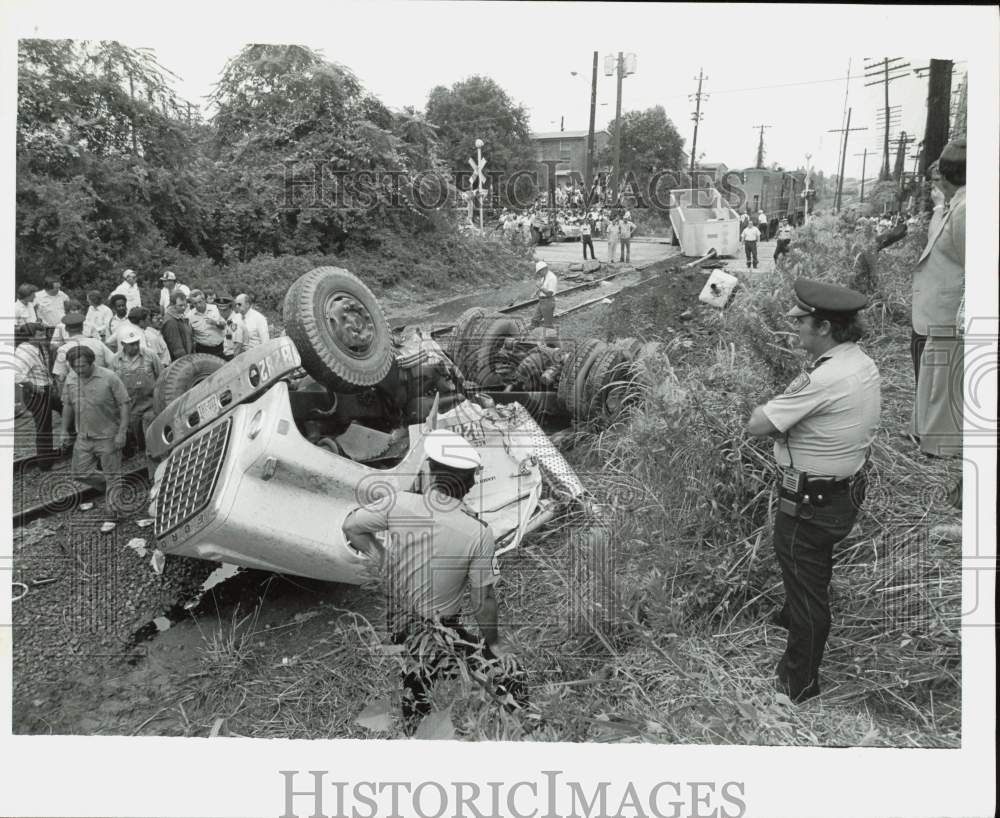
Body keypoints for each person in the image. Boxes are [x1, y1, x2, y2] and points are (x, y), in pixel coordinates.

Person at [747, 278, 880, 703]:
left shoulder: (824, 378)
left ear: (823, 327)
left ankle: (798, 683)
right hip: (841, 494)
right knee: (809, 571)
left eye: (801, 321)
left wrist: (769, 405)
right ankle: (791, 620)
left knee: (806, 588)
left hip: (810, 503)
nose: (796, 329)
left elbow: (758, 424)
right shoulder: (860, 362)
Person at [341, 429, 522, 731]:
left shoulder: (397, 503)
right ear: (467, 484)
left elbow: (352, 527)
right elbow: (482, 600)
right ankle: (511, 724)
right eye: (474, 477)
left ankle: (415, 723)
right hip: (440, 630)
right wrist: (493, 644)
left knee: (415, 684)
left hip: (399, 621)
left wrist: (384, 562)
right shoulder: (477, 533)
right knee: (506, 673)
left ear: (431, 473)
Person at [910, 139, 965, 504]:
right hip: (935, 309)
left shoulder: (966, 210)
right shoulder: (952, 204)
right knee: (934, 380)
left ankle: (942, 446)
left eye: (937, 177)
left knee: (944, 385)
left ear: (946, 176)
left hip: (950, 311)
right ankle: (932, 439)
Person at [59, 345, 131, 518]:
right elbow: (68, 405)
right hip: (83, 436)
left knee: (112, 475)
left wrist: (122, 432)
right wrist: (63, 431)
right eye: (74, 366)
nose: (79, 370)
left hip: (108, 436)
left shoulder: (109, 377)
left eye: (82, 366)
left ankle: (115, 510)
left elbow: (124, 404)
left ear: (92, 362)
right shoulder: (71, 379)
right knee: (80, 473)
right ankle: (114, 486)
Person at [109, 325, 161, 456]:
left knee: (150, 428)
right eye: (131, 344)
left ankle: (153, 453)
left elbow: (162, 376)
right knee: (136, 433)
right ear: (123, 344)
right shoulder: (115, 361)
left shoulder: (150, 355)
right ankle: (140, 449)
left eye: (136, 343)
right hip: (130, 405)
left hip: (150, 403)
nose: (135, 347)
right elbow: (112, 385)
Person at [13, 322, 58, 469]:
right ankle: (45, 464)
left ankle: (74, 444)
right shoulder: (24, 351)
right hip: (37, 394)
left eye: (44, 334)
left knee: (67, 408)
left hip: (47, 390)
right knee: (44, 428)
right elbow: (16, 375)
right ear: (29, 337)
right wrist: (34, 388)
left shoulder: (37, 347)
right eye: (40, 335)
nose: (44, 337)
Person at [52, 312, 112, 397]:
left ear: (66, 329)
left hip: (78, 396)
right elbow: (114, 362)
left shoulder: (63, 350)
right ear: (83, 327)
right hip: (102, 391)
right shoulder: (98, 343)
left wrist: (63, 400)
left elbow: (60, 378)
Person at [187, 288, 227, 357]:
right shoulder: (189, 316)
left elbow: (224, 326)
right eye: (195, 303)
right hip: (202, 350)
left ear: (204, 300)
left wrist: (215, 323)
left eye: (200, 302)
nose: (198, 305)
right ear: (192, 304)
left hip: (219, 348)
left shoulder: (216, 309)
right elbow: (189, 336)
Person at [161, 290, 194, 361]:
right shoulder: (171, 321)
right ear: (172, 305)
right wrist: (186, 362)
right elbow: (176, 348)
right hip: (180, 361)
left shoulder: (180, 316)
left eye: (185, 305)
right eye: (180, 305)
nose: (183, 308)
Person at [529, 261, 558, 330]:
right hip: (542, 301)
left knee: (548, 324)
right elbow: (542, 287)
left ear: (544, 269)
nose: (539, 274)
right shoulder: (544, 277)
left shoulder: (552, 278)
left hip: (548, 301)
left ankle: (551, 337)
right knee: (535, 320)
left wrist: (540, 287)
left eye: (539, 272)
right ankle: (531, 333)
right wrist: (535, 292)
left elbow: (550, 293)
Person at [216, 297, 242, 361]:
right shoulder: (228, 320)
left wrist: (234, 363)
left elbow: (237, 344)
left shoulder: (234, 322)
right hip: (228, 354)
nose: (221, 312)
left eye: (224, 310)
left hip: (234, 356)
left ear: (231, 308)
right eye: (220, 310)